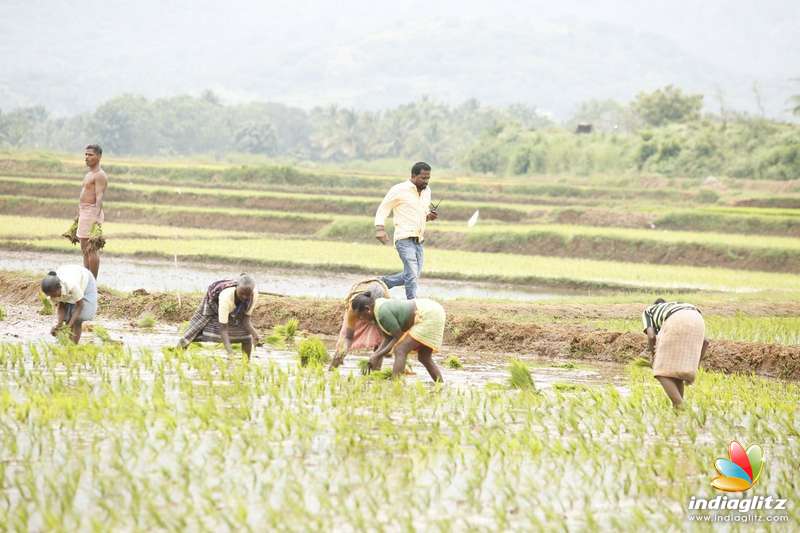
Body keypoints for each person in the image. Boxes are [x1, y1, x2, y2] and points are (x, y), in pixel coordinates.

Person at [374, 162, 438, 299]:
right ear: (413, 176)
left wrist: (429, 217)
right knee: (412, 274)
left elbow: (422, 214)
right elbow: (383, 208)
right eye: (423, 178)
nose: (426, 181)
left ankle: (382, 282)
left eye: (428, 178)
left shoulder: (427, 192)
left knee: (412, 275)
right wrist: (380, 228)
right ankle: (412, 302)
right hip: (404, 238)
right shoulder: (399, 189)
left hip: (419, 239)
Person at [351, 292, 446, 382]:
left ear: (368, 309)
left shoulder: (382, 313)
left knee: (400, 350)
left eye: (360, 316)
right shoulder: (376, 311)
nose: (361, 319)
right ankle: (440, 385)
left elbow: (398, 337)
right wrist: (376, 355)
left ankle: (395, 385)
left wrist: (378, 355)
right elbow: (388, 338)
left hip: (428, 314)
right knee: (424, 357)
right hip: (432, 310)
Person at [642, 298, 709, 408]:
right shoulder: (677, 306)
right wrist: (694, 368)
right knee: (675, 375)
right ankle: (677, 411)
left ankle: (680, 406)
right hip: (698, 317)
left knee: (660, 372)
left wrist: (653, 357)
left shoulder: (649, 310)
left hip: (676, 320)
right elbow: (705, 342)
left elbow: (651, 336)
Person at [179, 274, 261, 359]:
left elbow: (245, 320)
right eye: (242, 293)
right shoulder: (226, 297)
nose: (244, 297)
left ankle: (246, 362)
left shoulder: (253, 295)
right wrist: (230, 352)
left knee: (247, 336)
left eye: (248, 294)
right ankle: (180, 349)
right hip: (212, 302)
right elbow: (223, 328)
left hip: (236, 307)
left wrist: (255, 335)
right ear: (236, 287)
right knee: (197, 327)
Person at [329, 278, 390, 369]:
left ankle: (375, 371)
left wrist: (378, 355)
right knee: (343, 341)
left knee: (380, 341)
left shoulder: (383, 307)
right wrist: (342, 351)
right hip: (359, 311)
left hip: (378, 315)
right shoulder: (354, 308)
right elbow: (348, 337)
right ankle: (333, 368)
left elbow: (386, 337)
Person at [40, 265, 98, 344]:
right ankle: (68, 346)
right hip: (68, 274)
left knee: (78, 320)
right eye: (50, 296)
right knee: (67, 318)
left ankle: (73, 346)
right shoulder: (52, 291)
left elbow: (80, 305)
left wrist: (69, 325)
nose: (53, 297)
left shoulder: (71, 285)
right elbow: (61, 306)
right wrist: (59, 324)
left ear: (59, 287)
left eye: (53, 295)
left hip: (85, 279)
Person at [78, 144, 108, 279]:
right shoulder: (89, 174)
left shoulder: (100, 175)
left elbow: (99, 197)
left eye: (90, 155)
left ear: (99, 157)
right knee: (84, 249)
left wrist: (95, 218)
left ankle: (92, 282)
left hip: (91, 212)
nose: (87, 157)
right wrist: (78, 213)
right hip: (84, 212)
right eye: (86, 154)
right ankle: (86, 280)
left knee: (91, 249)